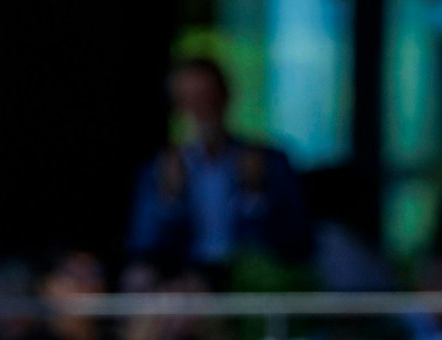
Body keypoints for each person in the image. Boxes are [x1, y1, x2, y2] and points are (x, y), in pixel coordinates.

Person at [125, 57, 312, 281]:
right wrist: (170, 199)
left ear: (225, 98)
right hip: (184, 275)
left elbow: (296, 240)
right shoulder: (160, 168)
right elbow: (143, 243)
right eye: (191, 100)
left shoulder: (267, 162)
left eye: (208, 97)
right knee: (139, 279)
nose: (201, 108)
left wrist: (254, 194)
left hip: (244, 276)